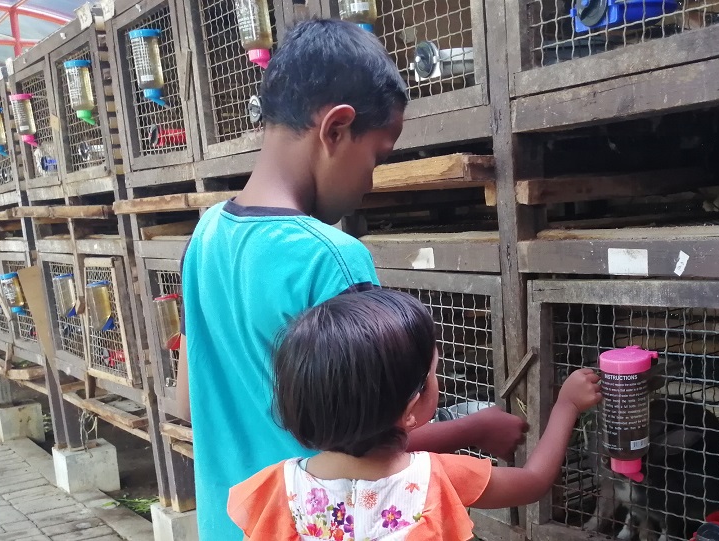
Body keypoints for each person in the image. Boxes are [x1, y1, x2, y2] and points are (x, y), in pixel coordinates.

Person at [178, 19, 528, 540]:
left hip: (233, 522)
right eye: (378, 156)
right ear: (336, 129)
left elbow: (185, 400)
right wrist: (473, 429)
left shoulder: (205, 234)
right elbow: (366, 441)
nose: (370, 180)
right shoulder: (331, 258)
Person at [227, 289, 602, 540]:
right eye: (433, 373)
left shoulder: (279, 488)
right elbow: (533, 481)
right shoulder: (435, 478)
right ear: (411, 409)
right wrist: (566, 406)